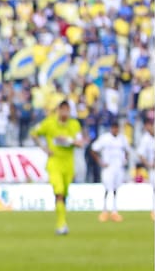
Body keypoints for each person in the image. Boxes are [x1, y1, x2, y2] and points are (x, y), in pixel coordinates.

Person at [31, 100, 85, 235]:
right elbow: (34, 133)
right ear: (59, 110)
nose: (65, 112)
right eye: (63, 109)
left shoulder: (74, 124)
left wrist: (68, 140)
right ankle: (61, 225)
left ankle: (62, 221)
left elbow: (80, 143)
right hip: (54, 162)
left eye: (67, 110)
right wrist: (44, 148)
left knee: (64, 195)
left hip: (68, 164)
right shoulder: (49, 123)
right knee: (59, 192)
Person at [90, 121, 131, 222]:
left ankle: (114, 211)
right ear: (111, 128)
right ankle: (104, 211)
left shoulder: (123, 139)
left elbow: (127, 151)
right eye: (114, 128)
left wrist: (125, 160)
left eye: (117, 128)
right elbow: (93, 149)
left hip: (118, 167)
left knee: (116, 188)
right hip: (108, 167)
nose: (115, 130)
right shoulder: (105, 138)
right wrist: (100, 162)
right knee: (107, 188)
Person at [135, 118, 155, 220]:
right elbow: (140, 154)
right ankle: (154, 210)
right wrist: (148, 164)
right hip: (154, 169)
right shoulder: (146, 139)